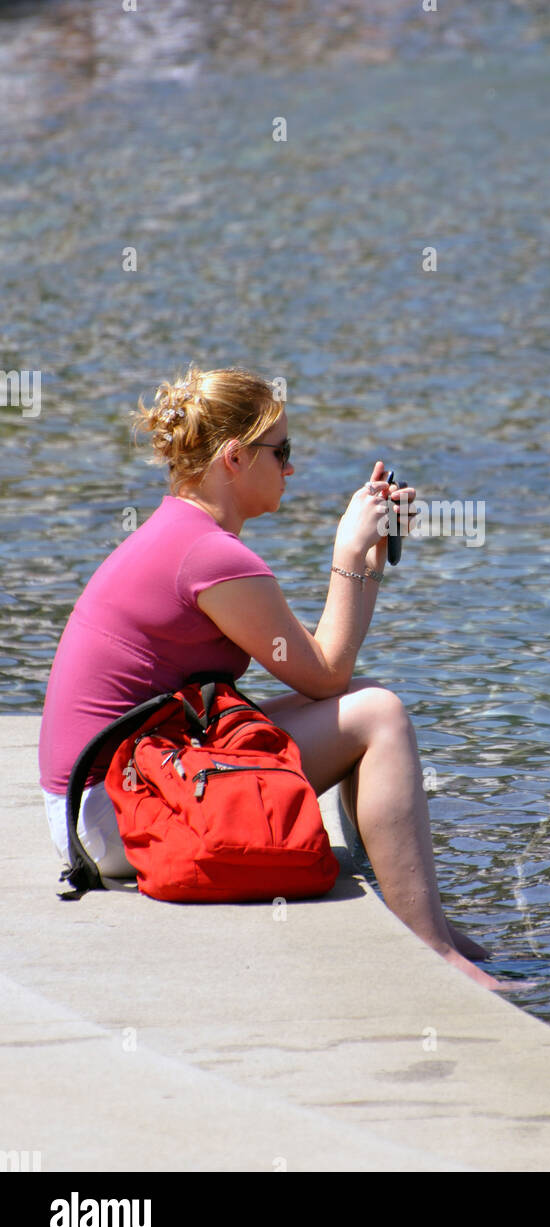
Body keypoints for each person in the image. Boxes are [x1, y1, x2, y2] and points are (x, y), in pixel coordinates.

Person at [39, 365, 499, 990]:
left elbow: (329, 675)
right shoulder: (211, 556)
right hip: (115, 815)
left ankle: (426, 925)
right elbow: (327, 674)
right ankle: (431, 951)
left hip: (115, 793)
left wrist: (368, 555)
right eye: (281, 452)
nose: (291, 468)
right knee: (378, 715)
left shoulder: (188, 534)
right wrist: (346, 552)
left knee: (367, 707)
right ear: (234, 458)